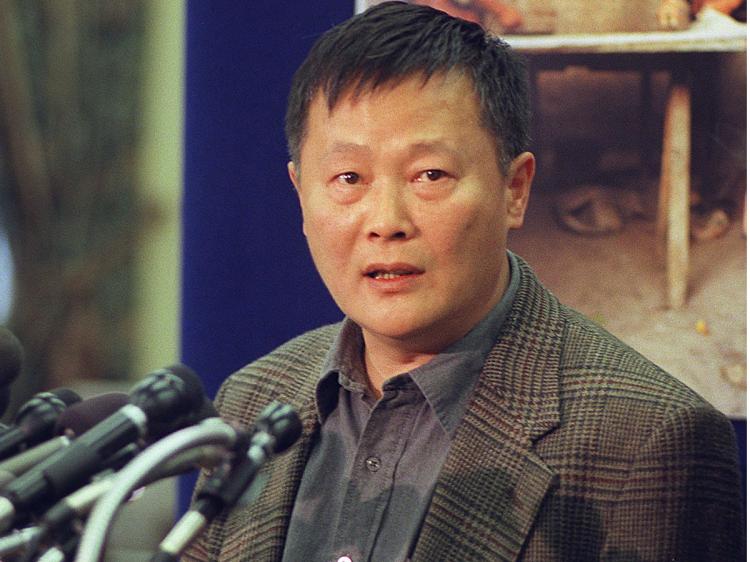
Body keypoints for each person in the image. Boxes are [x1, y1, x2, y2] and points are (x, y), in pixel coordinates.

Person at [183, 2, 744, 561]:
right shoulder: (250, 402)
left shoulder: (648, 439)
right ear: (300, 192)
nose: (386, 221)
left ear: (515, 188)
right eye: (348, 178)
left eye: (430, 175)